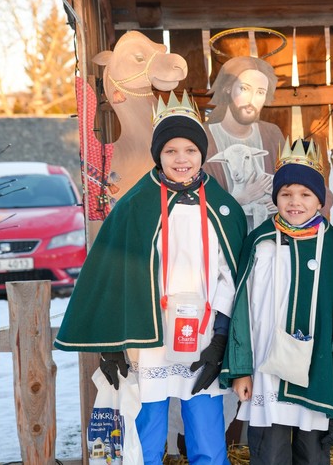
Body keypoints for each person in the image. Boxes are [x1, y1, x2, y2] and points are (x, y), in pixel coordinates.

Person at [54, 91, 247, 465]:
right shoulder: (135, 205)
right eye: (171, 151)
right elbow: (116, 274)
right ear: (158, 154)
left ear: (202, 154)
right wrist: (112, 344)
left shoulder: (223, 208)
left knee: (207, 437)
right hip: (150, 340)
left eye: (190, 150)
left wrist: (221, 338)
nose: (181, 159)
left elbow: (231, 277)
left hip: (203, 336)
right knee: (146, 437)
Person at [220, 138, 333, 464]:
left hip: (315, 370)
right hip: (265, 367)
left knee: (312, 453)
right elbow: (242, 311)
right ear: (276, 197)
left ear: (320, 200)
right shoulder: (259, 243)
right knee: (269, 453)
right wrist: (241, 370)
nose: (295, 202)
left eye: (305, 194)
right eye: (286, 194)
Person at [203, 56, 285, 230]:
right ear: (227, 88)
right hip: (221, 236)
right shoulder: (204, 136)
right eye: (244, 89)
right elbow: (196, 197)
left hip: (268, 237)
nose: (251, 100)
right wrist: (242, 198)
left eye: (260, 92)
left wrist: (281, 199)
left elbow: (293, 183)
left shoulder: (271, 134)